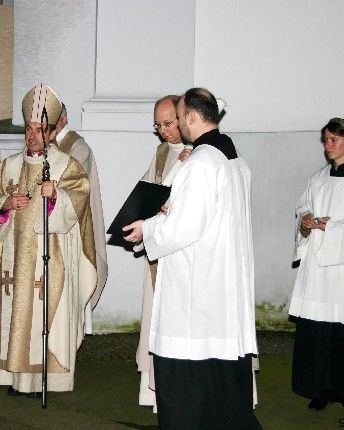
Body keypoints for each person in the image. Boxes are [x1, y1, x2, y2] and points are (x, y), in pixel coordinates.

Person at [123, 88, 261, 429]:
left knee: (188, 393)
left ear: (192, 118)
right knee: (224, 393)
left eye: (180, 116)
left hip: (195, 296)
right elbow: (211, 216)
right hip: (222, 290)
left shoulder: (199, 163)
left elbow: (183, 230)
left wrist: (147, 228)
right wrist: (170, 212)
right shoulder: (234, 160)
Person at [0, 83, 97, 395]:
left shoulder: (66, 165)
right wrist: (4, 205)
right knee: (14, 314)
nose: (33, 136)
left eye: (40, 130)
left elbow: (78, 202)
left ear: (51, 132)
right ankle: (13, 376)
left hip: (50, 258)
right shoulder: (9, 165)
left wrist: (55, 196)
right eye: (29, 129)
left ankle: (38, 380)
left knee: (40, 317)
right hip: (13, 258)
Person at [288, 117, 344, 422]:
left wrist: (328, 225)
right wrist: (307, 220)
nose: (328, 146)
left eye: (334, 140)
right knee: (322, 331)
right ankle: (325, 387)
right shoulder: (320, 178)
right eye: (325, 140)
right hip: (321, 271)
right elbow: (302, 206)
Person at [135, 95, 191, 410]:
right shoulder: (161, 152)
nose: (163, 131)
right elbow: (148, 190)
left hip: (183, 252)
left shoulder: (202, 152)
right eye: (158, 125)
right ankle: (156, 391)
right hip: (160, 246)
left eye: (167, 124)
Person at [53, 105, 107, 332]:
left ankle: (69, 330)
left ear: (64, 119)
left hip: (73, 225)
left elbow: (74, 186)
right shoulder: (37, 146)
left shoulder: (77, 146)